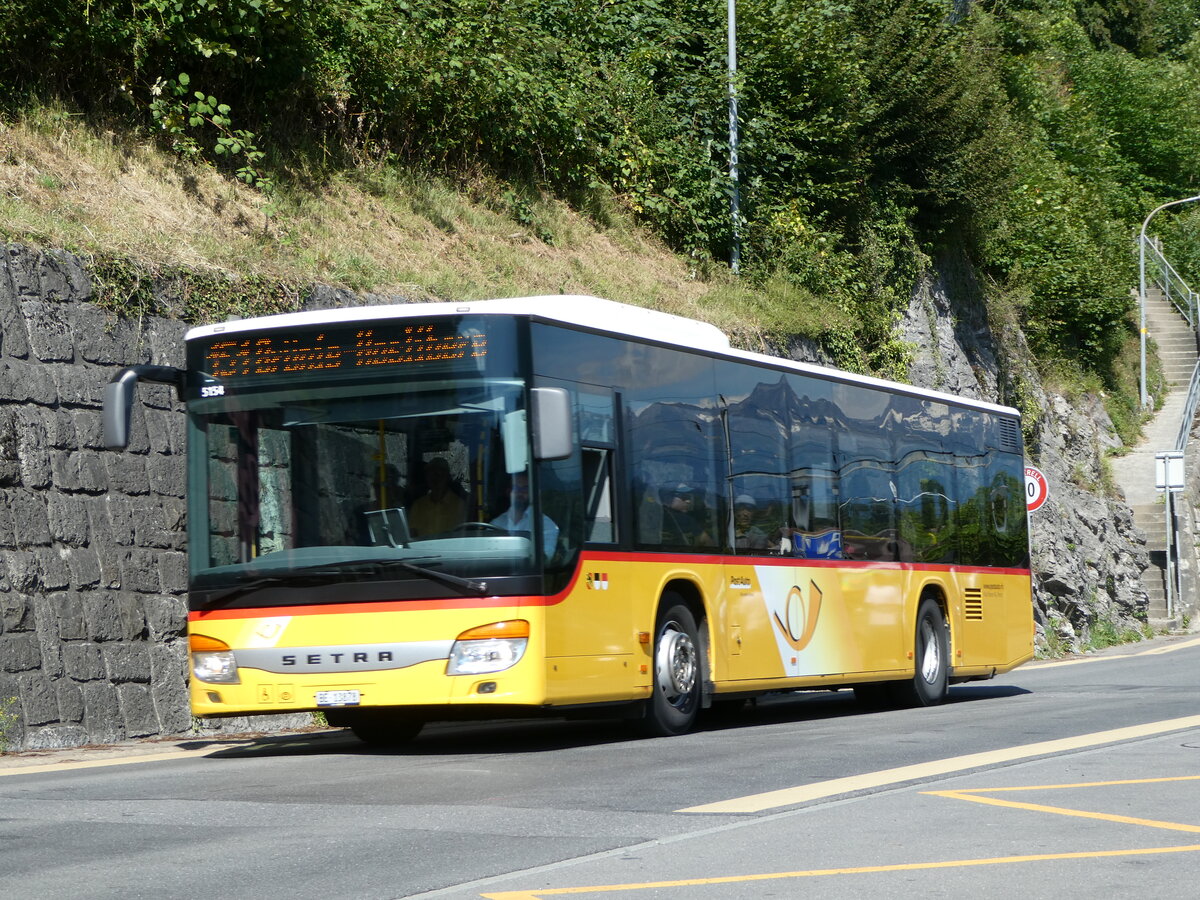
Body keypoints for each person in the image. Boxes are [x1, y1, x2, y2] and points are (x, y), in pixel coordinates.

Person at [491, 471, 558, 551]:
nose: (520, 492)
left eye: (525, 489)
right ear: (509, 492)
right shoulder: (495, 524)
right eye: (516, 488)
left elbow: (545, 558)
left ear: (532, 493)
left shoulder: (546, 526)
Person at [408, 457, 466, 537]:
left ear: (447, 477)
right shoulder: (418, 505)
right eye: (431, 475)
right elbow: (412, 535)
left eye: (439, 474)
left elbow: (461, 536)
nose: (435, 479)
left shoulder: (459, 505)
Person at [660, 483, 714, 548]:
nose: (688, 501)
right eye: (683, 496)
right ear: (667, 499)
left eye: (688, 496)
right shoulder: (686, 520)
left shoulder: (655, 516)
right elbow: (706, 541)